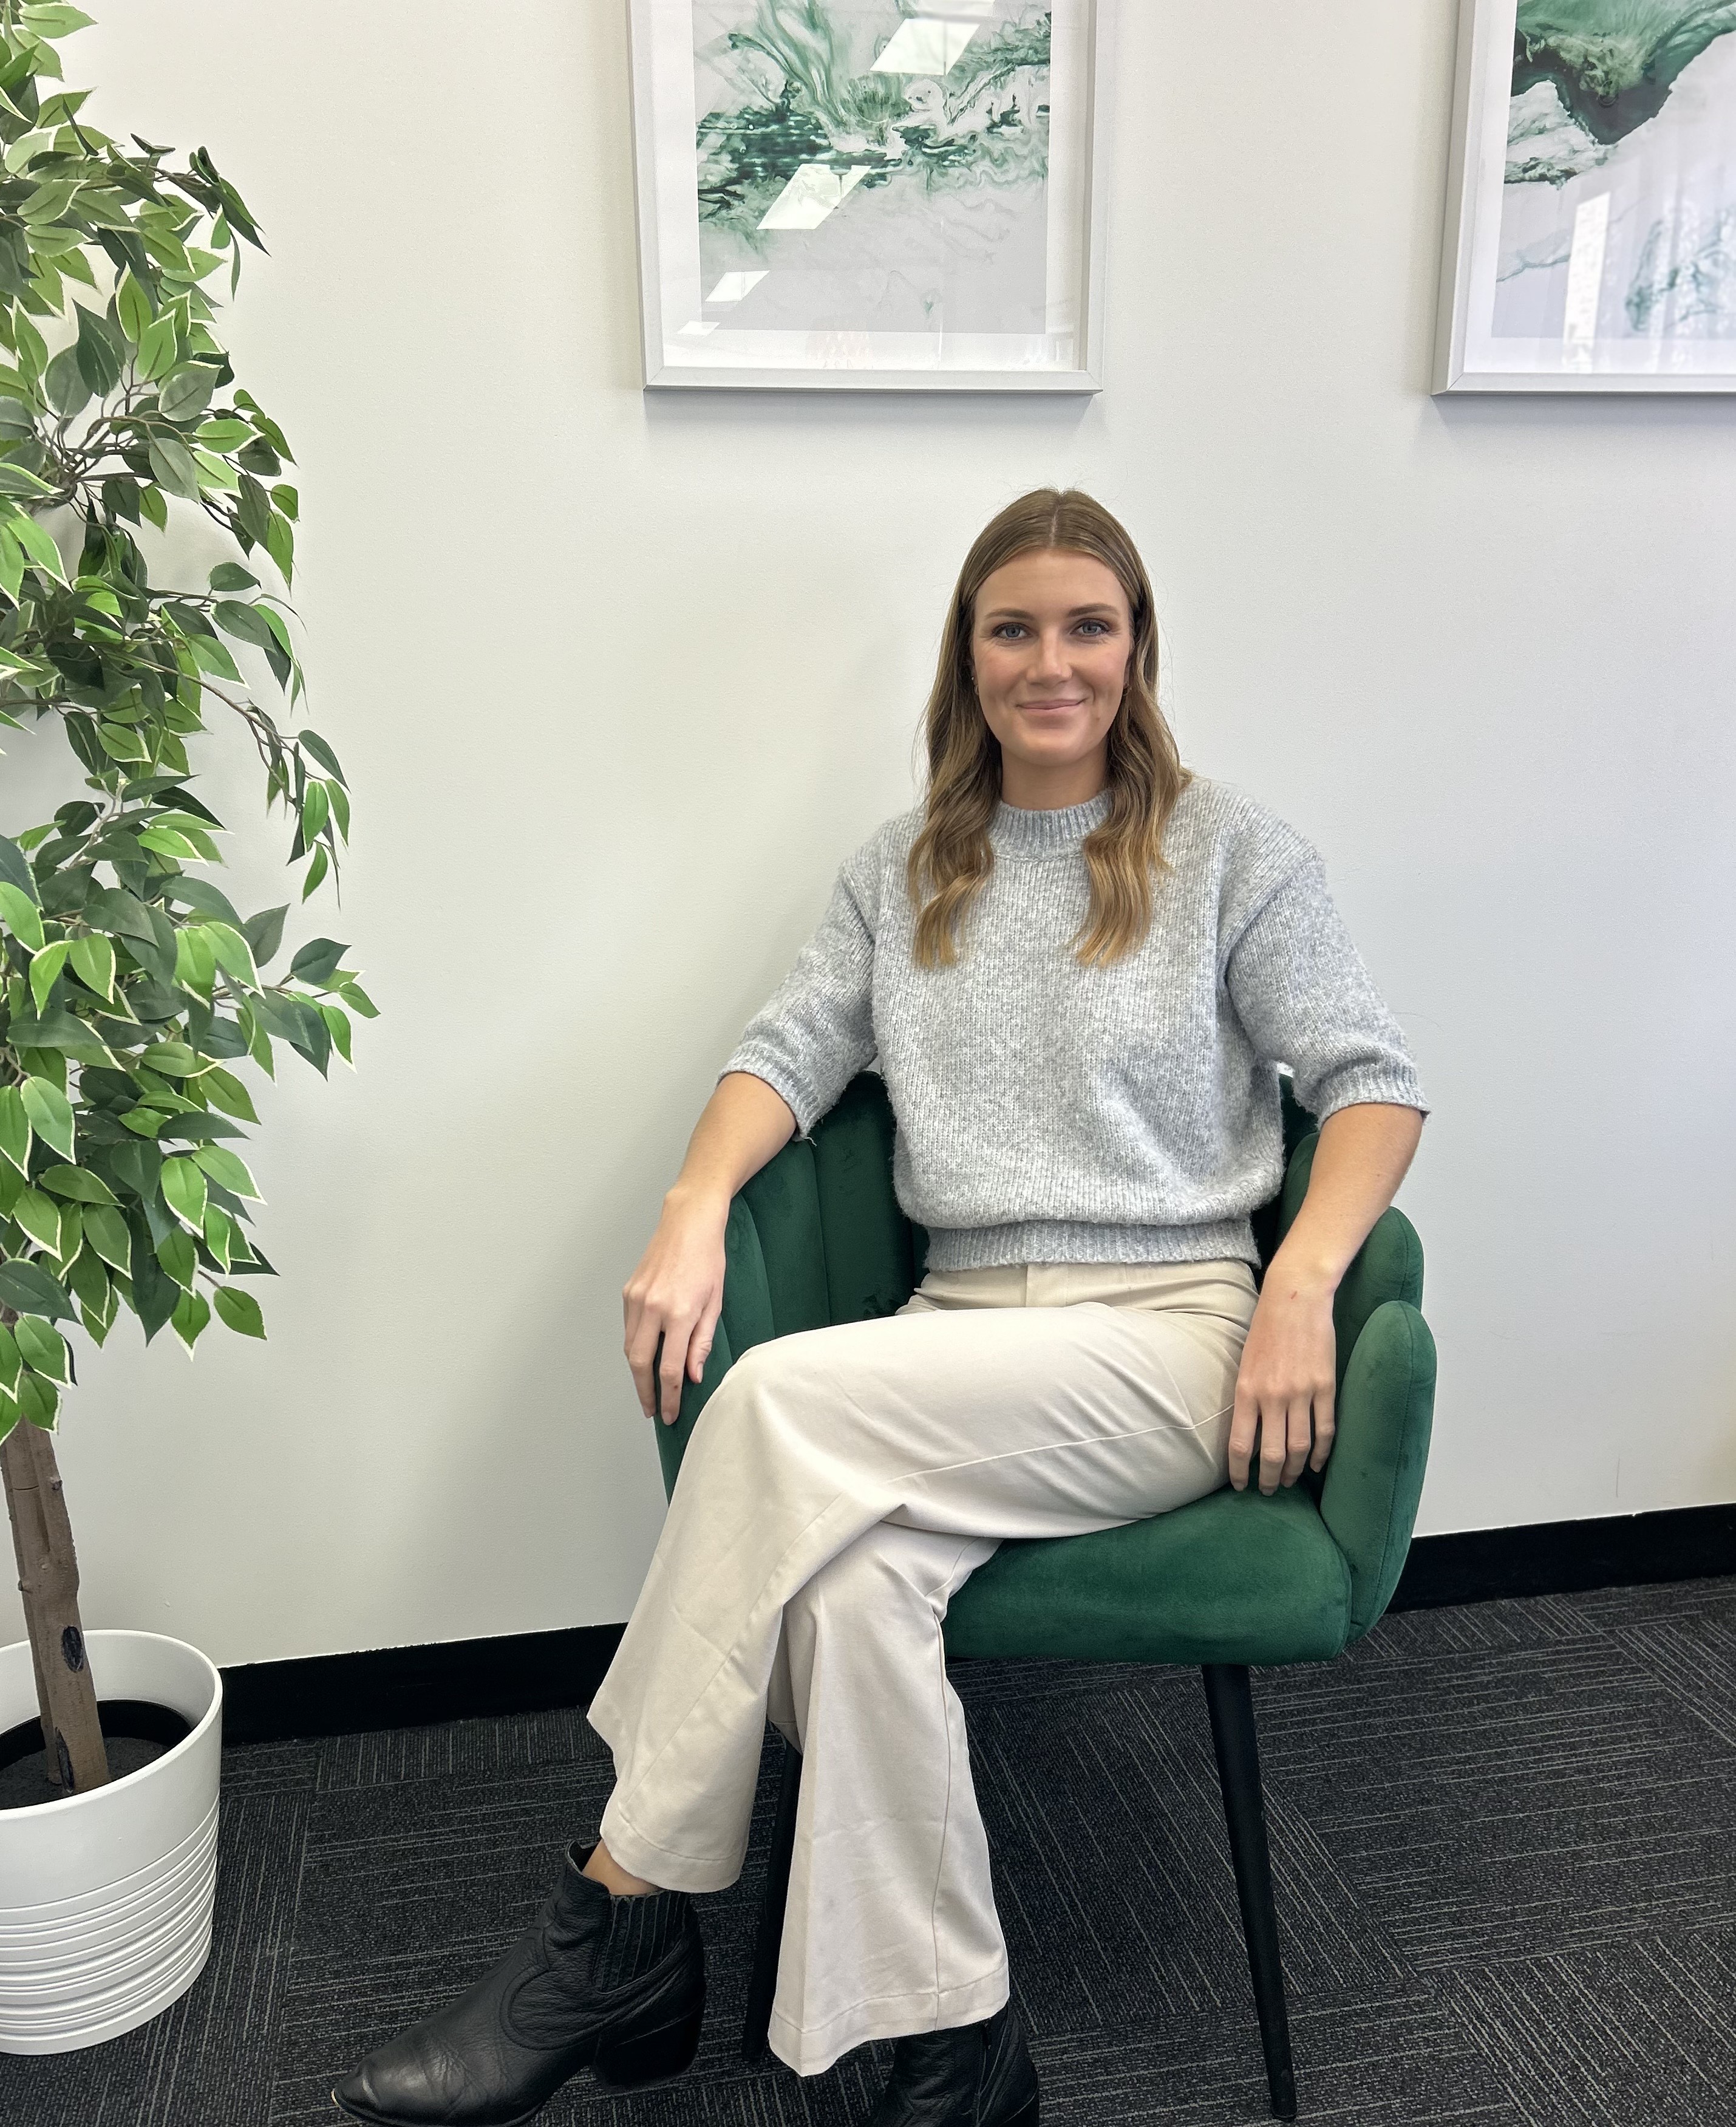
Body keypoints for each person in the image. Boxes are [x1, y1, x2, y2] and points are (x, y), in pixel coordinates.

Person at [333, 488, 1430, 2127]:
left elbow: (1372, 1089)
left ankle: (618, 1908)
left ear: (1135, 652)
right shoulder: (906, 869)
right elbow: (781, 1052)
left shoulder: (1231, 854)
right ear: (964, 656)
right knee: (848, 1600)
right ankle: (958, 2051)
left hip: (1164, 1338)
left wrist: (1297, 1281)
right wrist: (693, 1204)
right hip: (958, 1335)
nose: (1048, 662)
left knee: (771, 1402)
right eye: (1013, 628)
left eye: (1086, 626)